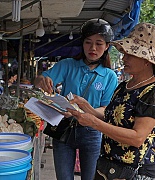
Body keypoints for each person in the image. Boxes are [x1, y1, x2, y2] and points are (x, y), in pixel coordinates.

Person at [67, 22, 155, 180]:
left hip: (132, 171)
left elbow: (137, 138)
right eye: (124, 53)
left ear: (147, 60)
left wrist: (93, 123)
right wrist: (85, 106)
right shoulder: (124, 86)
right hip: (107, 166)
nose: (124, 58)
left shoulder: (154, 93)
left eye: (130, 54)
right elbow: (111, 118)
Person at [34, 18, 118, 180]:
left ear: (107, 46)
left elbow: (105, 110)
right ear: (82, 44)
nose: (93, 48)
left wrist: (85, 107)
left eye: (99, 43)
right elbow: (39, 80)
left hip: (92, 132)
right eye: (88, 42)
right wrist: (41, 81)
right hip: (64, 129)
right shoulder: (67, 65)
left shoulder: (110, 76)